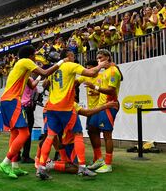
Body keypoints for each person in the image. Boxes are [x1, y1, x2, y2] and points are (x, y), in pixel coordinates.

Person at [0, 45, 68, 179]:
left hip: (7, 100)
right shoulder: (25, 61)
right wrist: (60, 62)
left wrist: (39, 78)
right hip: (13, 101)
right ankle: (5, 162)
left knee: (15, 133)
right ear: (30, 56)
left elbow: (33, 84)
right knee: (25, 133)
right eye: (34, 55)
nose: (35, 58)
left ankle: (15, 166)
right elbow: (45, 73)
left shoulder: (21, 68)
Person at [37, 49, 108, 180]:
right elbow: (92, 73)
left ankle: (41, 167)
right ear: (68, 56)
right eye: (73, 55)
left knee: (50, 137)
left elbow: (46, 84)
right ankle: (82, 167)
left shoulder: (54, 69)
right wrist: (102, 65)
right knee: (78, 134)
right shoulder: (70, 65)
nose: (74, 58)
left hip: (51, 107)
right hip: (66, 107)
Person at [45, 101, 119, 174]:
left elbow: (51, 133)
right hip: (69, 144)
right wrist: (106, 106)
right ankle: (51, 164)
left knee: (68, 160)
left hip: (66, 142)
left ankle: (46, 161)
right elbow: (87, 113)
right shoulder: (70, 104)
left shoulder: (52, 104)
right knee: (76, 168)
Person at [84, 49, 123, 173]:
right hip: (101, 106)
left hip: (109, 106)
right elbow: (105, 89)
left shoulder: (113, 71)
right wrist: (96, 91)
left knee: (107, 135)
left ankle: (108, 164)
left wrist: (94, 86)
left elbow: (111, 90)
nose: (99, 61)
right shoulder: (105, 71)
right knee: (91, 129)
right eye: (98, 58)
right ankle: (99, 159)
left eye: (101, 58)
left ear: (107, 57)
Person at [19, 75, 41, 163]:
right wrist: (39, 78)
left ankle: (16, 154)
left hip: (20, 107)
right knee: (27, 132)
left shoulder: (19, 78)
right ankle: (25, 155)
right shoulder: (29, 79)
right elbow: (35, 90)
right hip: (27, 107)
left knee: (19, 132)